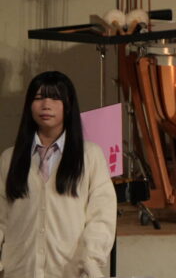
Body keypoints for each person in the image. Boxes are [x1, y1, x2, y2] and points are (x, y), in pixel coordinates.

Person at [0, 71, 116, 278]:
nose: (46, 105)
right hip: (20, 270)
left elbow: (102, 214)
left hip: (69, 271)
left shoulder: (90, 156)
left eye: (55, 98)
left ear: (68, 105)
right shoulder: (9, 158)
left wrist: (90, 260)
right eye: (38, 98)